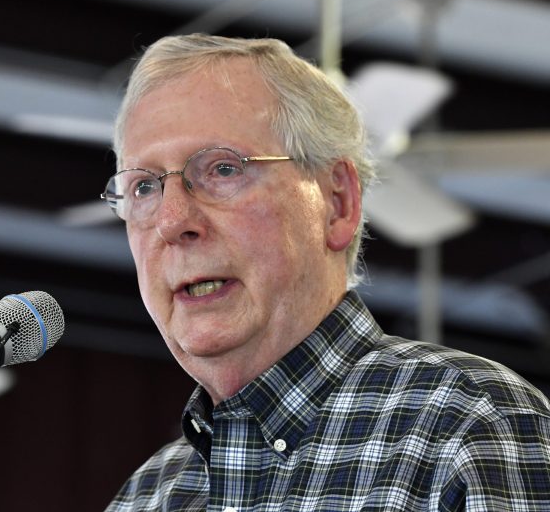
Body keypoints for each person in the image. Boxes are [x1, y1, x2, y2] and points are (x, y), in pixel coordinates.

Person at [100, 34, 550, 511]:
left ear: (337, 203)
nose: (172, 222)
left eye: (223, 170)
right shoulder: (146, 495)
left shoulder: (472, 427)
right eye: (145, 186)